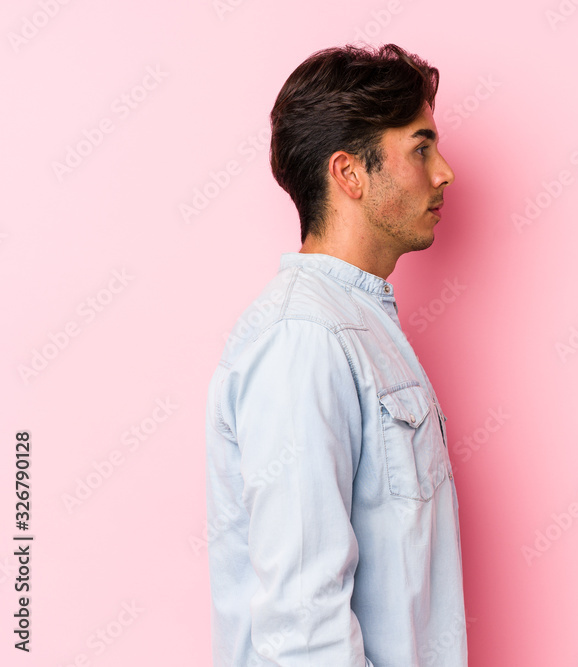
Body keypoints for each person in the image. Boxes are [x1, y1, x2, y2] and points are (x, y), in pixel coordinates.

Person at [204, 43, 468, 666]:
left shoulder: (354, 324)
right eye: (421, 148)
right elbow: (304, 627)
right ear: (349, 174)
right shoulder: (303, 338)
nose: (444, 173)